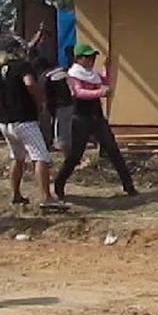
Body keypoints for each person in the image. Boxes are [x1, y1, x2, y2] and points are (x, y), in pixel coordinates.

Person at [53, 43, 137, 199]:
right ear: (79, 58)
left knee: (113, 151)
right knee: (75, 155)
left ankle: (129, 186)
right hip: (81, 118)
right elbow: (79, 93)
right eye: (88, 57)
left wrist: (106, 70)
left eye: (93, 57)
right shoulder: (73, 75)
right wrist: (99, 92)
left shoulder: (91, 73)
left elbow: (103, 81)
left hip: (97, 117)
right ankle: (59, 184)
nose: (92, 60)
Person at [0, 39, 62, 209]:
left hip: (5, 122)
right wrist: (41, 100)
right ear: (18, 51)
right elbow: (29, 83)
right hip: (24, 119)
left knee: (17, 157)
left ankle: (15, 194)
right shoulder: (23, 67)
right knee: (41, 156)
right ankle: (46, 197)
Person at [42, 46, 75, 154]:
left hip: (60, 105)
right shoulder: (60, 74)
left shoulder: (54, 74)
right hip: (63, 105)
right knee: (63, 133)